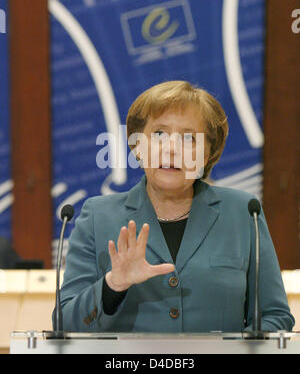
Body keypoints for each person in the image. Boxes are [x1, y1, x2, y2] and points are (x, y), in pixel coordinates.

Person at [57, 81, 294, 333]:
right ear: (138, 147)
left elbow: (275, 316)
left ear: (207, 154)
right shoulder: (98, 216)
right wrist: (112, 285)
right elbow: (66, 323)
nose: (171, 148)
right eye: (159, 134)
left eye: (189, 138)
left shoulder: (243, 212)